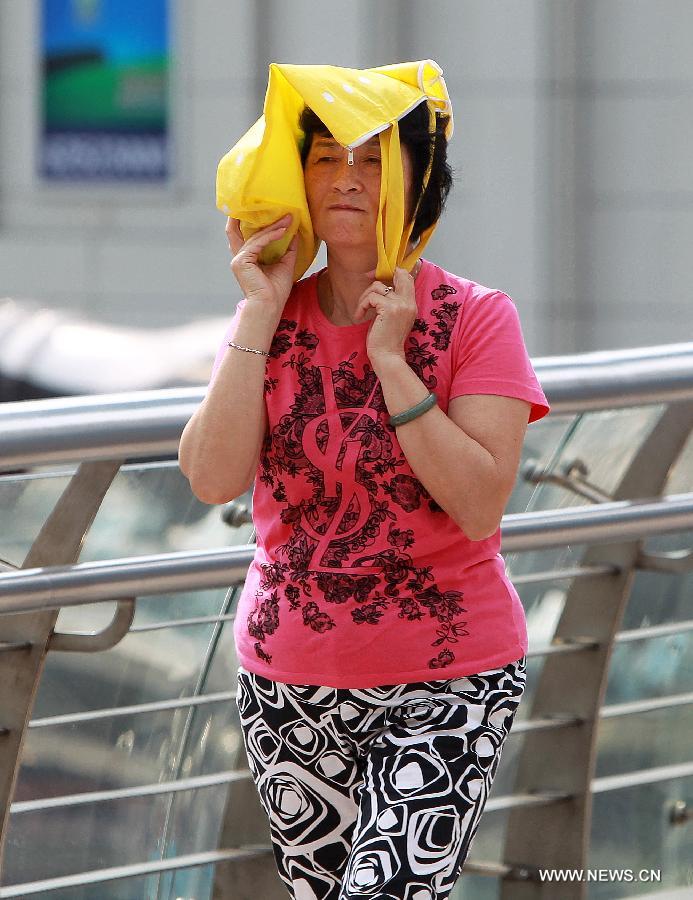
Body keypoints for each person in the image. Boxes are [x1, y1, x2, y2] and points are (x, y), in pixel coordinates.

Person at [179, 63, 550, 900]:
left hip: (448, 681)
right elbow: (210, 478)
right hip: (288, 680)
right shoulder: (267, 320)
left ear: (421, 180)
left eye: (375, 160)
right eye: (323, 157)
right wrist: (257, 310)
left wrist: (392, 362)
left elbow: (480, 500)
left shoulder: (477, 317)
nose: (346, 178)